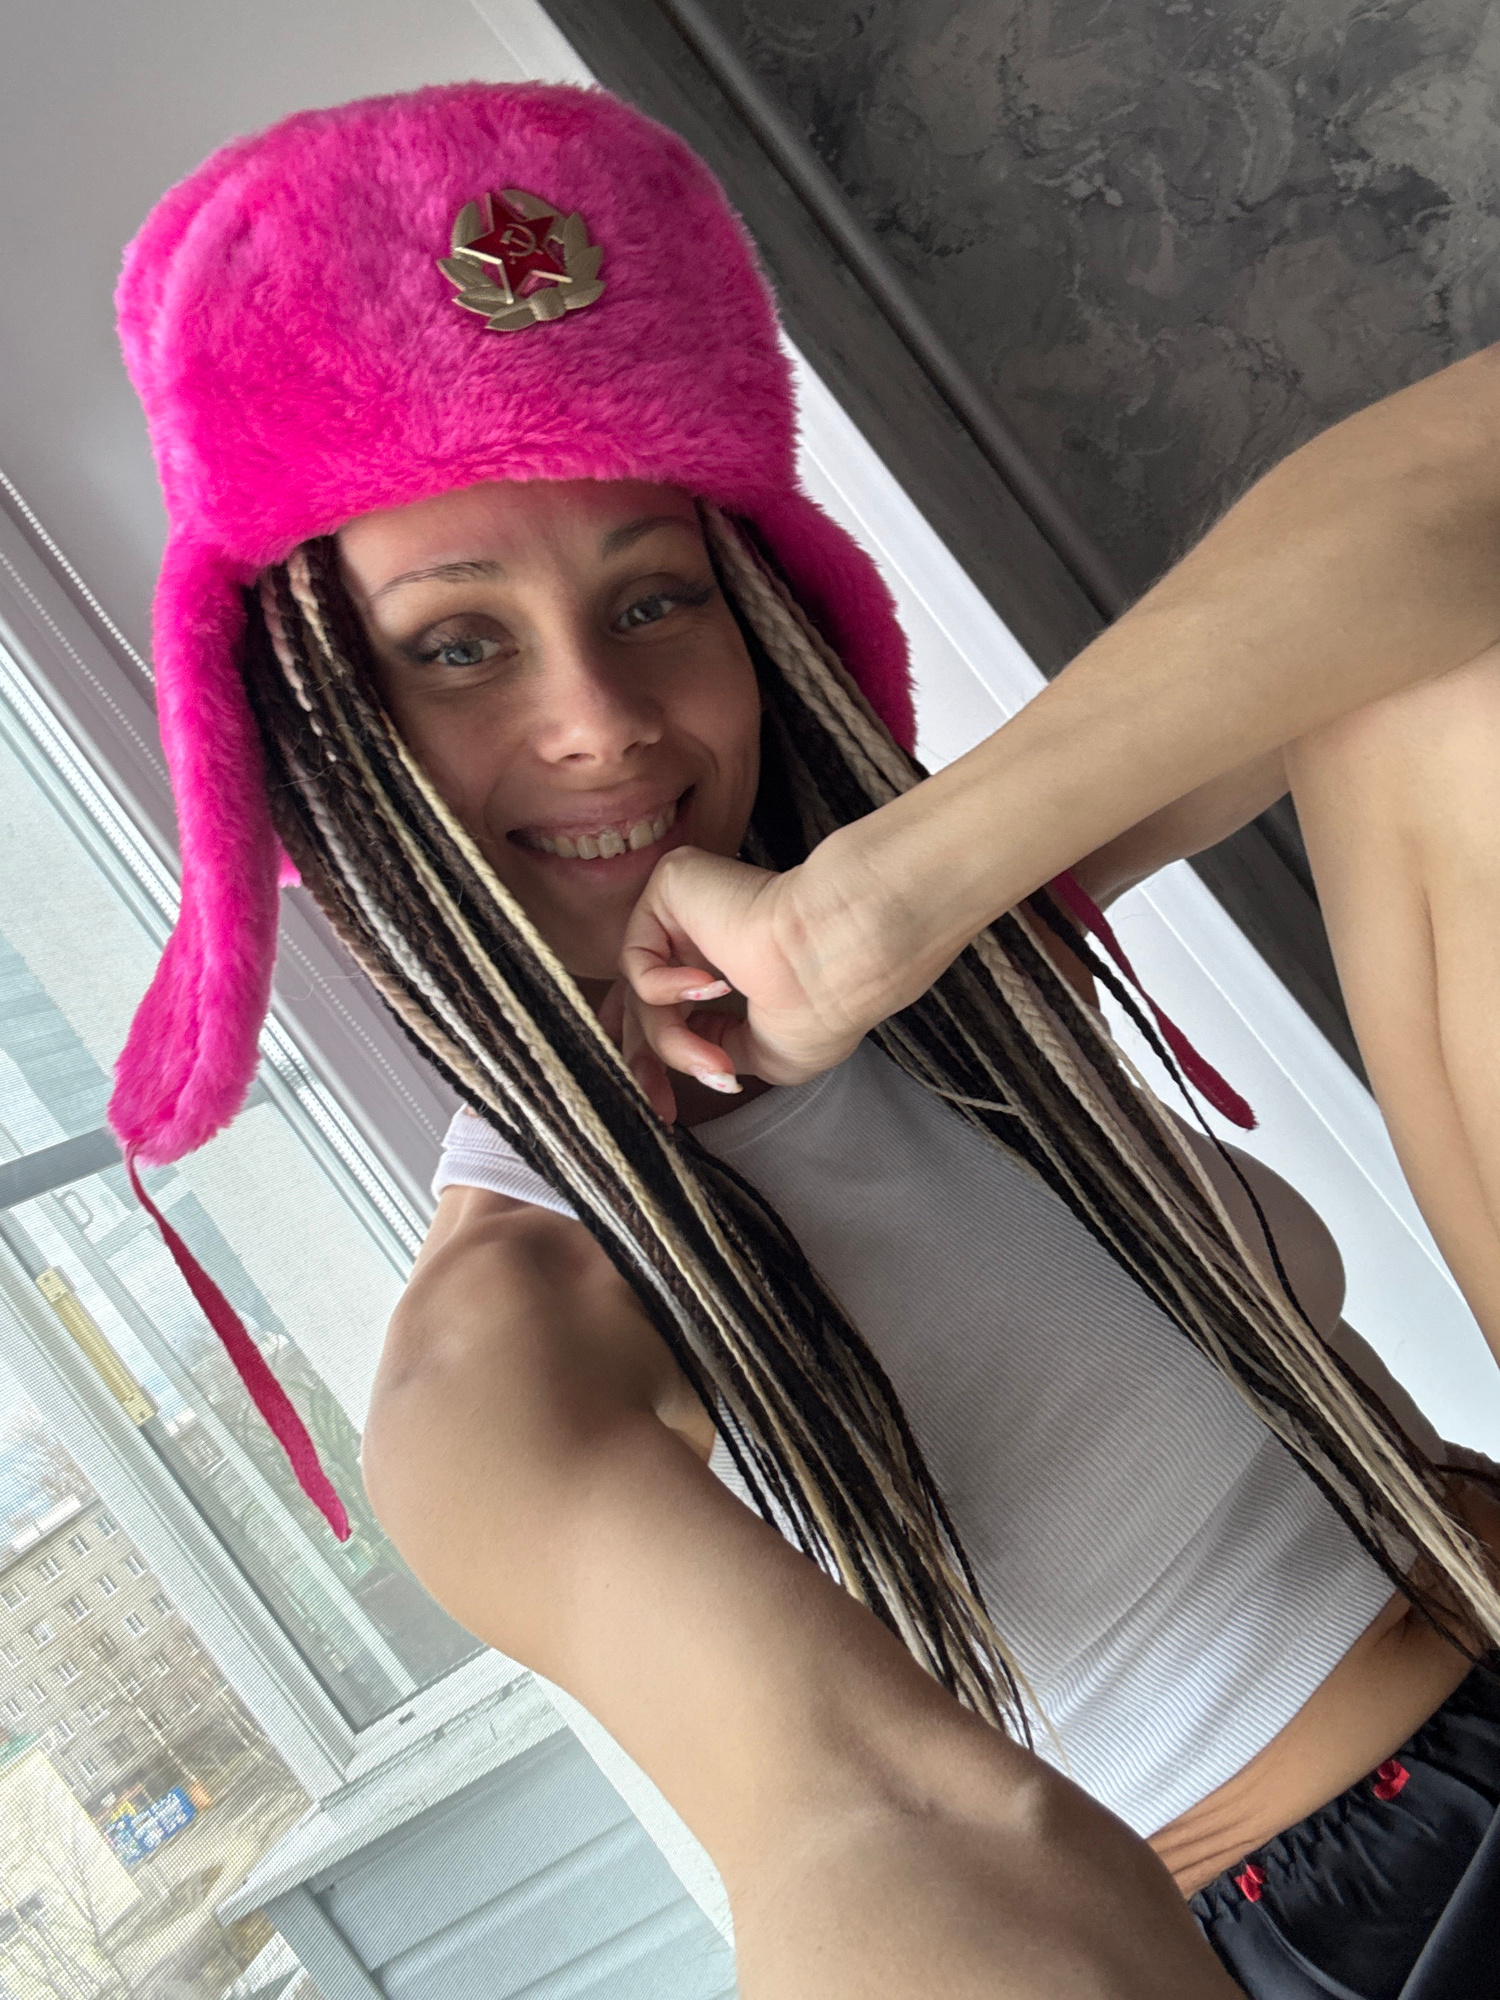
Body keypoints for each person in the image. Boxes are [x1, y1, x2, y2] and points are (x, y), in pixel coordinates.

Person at [106, 81, 1500, 1999]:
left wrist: (880, 912)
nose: (602, 717)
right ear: (319, 739)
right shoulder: (511, 1342)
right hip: (1384, 1920)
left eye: (653, 597)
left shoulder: (917, 961)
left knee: (1446, 698)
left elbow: (1463, 499)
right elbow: (886, 1831)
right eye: (459, 644)